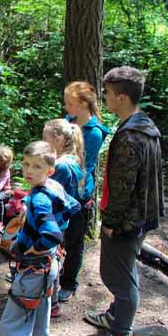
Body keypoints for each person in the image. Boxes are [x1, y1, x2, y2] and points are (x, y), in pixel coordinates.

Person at [83, 67, 164, 336]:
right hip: (141, 216)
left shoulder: (132, 135)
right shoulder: (144, 125)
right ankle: (115, 316)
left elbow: (123, 186)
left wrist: (112, 222)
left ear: (122, 96)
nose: (104, 98)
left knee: (119, 277)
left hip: (128, 221)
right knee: (123, 271)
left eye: (107, 93)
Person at [0, 141, 79, 336]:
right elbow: (72, 208)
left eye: (37, 167)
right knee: (40, 323)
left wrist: (34, 248)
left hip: (34, 270)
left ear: (50, 170)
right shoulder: (54, 189)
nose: (29, 171)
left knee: (14, 324)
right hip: (49, 267)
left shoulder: (42, 198)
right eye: (26, 164)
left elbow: (52, 232)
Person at [60, 82, 110, 302]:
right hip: (59, 184)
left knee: (74, 240)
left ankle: (69, 283)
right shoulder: (68, 121)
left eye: (70, 103)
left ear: (83, 104)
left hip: (77, 192)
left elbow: (84, 165)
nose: (66, 107)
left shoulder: (94, 132)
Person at [42, 119, 86, 317]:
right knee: (60, 253)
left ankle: (49, 299)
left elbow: (50, 194)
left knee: (52, 256)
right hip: (72, 215)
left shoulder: (61, 165)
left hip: (59, 218)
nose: (43, 142)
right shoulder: (74, 158)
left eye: (46, 138)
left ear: (58, 139)